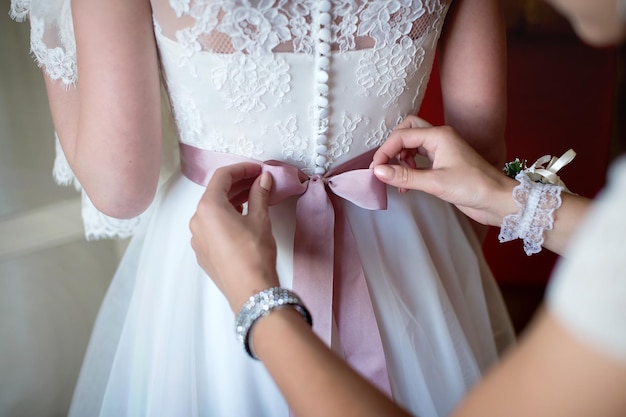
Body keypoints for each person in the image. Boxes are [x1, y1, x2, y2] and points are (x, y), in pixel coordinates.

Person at [9, 1, 514, 416]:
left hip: (218, 253)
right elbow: (480, 155)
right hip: (403, 237)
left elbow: (121, 187)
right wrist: (444, 274)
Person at [188, 0, 626, 415]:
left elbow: (122, 192)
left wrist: (255, 298)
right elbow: (485, 138)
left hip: (217, 240)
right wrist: (505, 204)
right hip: (405, 234)